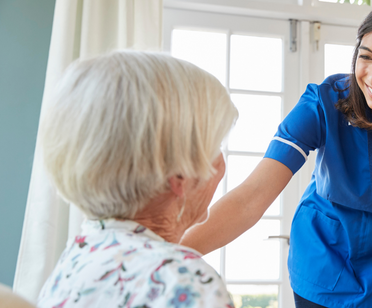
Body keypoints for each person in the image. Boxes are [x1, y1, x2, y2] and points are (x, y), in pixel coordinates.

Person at [182, 0, 372, 307]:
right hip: (325, 264)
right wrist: (163, 252)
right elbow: (251, 198)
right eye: (365, 56)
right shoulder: (323, 103)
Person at [36, 51, 238, 308]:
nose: (221, 164)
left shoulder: (78, 258)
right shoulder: (182, 282)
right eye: (215, 145)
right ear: (180, 175)